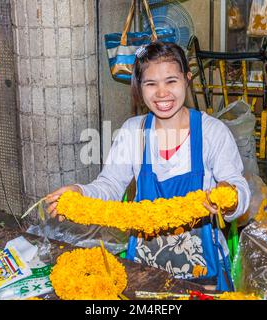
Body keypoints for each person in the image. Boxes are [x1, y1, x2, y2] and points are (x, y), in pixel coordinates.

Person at [46, 41, 251, 292]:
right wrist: (80, 193)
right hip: (143, 268)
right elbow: (110, 185)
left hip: (200, 273)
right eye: (151, 84)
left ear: (187, 80)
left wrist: (230, 198)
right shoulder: (133, 132)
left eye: (171, 81)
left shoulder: (212, 132)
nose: (162, 93)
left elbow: (239, 188)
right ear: (139, 88)